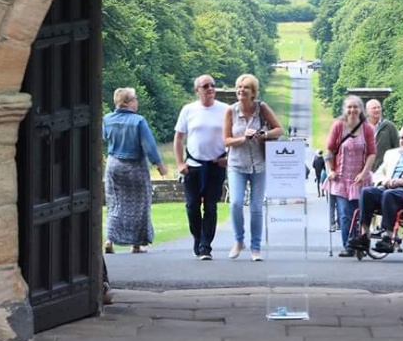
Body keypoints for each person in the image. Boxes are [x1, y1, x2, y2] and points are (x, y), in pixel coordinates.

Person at [347, 125, 403, 253]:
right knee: (366, 192)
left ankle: (388, 237)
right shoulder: (391, 154)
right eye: (401, 138)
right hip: (389, 187)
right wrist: (386, 181)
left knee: (389, 194)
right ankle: (364, 236)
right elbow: (378, 174)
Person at [224, 73, 283, 261]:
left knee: (256, 207)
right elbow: (226, 140)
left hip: (259, 164)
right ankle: (238, 240)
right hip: (237, 164)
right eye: (239, 87)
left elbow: (279, 129)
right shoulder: (231, 111)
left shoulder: (261, 108)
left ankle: (255, 247)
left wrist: (263, 134)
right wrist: (243, 138)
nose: (241, 90)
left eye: (246, 88)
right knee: (235, 203)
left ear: (253, 92)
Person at [103, 87, 168, 254]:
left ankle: (109, 239)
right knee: (139, 204)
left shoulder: (107, 119)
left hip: (114, 165)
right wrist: (159, 165)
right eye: (135, 99)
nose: (137, 102)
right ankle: (136, 244)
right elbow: (149, 145)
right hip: (135, 166)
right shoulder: (138, 121)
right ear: (128, 102)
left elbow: (103, 137)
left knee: (115, 203)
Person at [174, 74, 229, 261]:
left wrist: (227, 158)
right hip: (193, 166)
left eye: (212, 85)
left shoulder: (225, 110)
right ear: (197, 90)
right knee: (192, 206)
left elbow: (233, 135)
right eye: (206, 86)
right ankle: (197, 238)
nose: (210, 89)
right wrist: (180, 163)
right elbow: (179, 139)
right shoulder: (188, 110)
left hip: (215, 165)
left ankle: (206, 246)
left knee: (211, 207)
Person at [325, 95, 376, 257]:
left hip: (360, 179)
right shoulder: (338, 126)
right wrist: (330, 170)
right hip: (341, 179)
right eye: (349, 107)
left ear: (361, 109)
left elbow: (372, 153)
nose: (352, 110)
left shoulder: (367, 129)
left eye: (355, 107)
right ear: (344, 109)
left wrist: (364, 173)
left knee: (360, 213)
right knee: (345, 214)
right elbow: (329, 150)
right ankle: (349, 246)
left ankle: (360, 243)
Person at [365, 99, 399, 172]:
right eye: (374, 108)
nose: (377, 110)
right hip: (365, 169)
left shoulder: (389, 126)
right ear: (367, 111)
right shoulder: (362, 127)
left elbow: (397, 146)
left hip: (384, 168)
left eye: (379, 107)